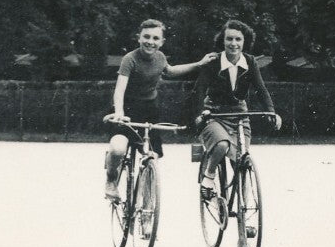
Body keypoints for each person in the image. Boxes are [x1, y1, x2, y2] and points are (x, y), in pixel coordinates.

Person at [105, 19, 216, 201]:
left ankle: (148, 201)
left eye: (156, 38)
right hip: (125, 108)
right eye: (146, 37)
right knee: (117, 149)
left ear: (162, 42)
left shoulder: (161, 58)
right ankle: (110, 181)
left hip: (149, 109)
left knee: (152, 156)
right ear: (138, 38)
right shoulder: (129, 59)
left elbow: (170, 71)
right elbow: (120, 89)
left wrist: (199, 64)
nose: (151, 41)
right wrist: (119, 112)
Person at [191, 19, 282, 195]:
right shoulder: (213, 61)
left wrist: (272, 112)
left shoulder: (250, 61)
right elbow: (199, 90)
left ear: (244, 42)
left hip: (239, 114)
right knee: (221, 145)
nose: (233, 44)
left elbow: (261, 89)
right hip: (214, 114)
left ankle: (243, 208)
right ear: (222, 41)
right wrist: (199, 114)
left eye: (238, 39)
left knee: (241, 159)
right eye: (229, 39)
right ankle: (208, 177)